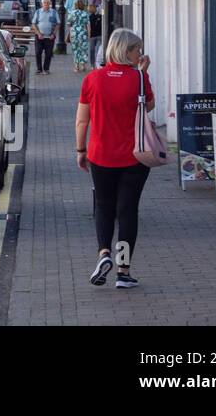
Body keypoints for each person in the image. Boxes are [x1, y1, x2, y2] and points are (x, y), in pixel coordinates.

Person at [76, 28, 153, 290]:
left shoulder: (93, 79)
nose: (139, 54)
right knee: (128, 211)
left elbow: (81, 119)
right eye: (136, 49)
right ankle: (123, 271)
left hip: (100, 155)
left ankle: (103, 254)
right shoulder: (138, 79)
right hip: (135, 156)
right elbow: (149, 106)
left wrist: (80, 150)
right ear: (126, 50)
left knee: (104, 207)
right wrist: (143, 73)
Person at [31, 0, 58, 75]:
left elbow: (58, 24)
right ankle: (39, 69)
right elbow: (33, 24)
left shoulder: (53, 12)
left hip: (50, 37)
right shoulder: (38, 12)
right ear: (42, 4)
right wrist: (38, 33)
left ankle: (46, 69)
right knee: (38, 52)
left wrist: (54, 34)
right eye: (44, 3)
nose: (46, 4)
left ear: (50, 4)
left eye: (47, 3)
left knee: (48, 53)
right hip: (39, 36)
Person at [67, 0, 91, 73]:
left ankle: (76, 67)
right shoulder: (85, 13)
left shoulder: (71, 13)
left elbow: (69, 25)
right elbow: (88, 25)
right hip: (83, 33)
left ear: (75, 5)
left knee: (75, 50)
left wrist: (70, 33)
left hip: (74, 33)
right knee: (83, 50)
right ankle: (83, 65)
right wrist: (89, 34)